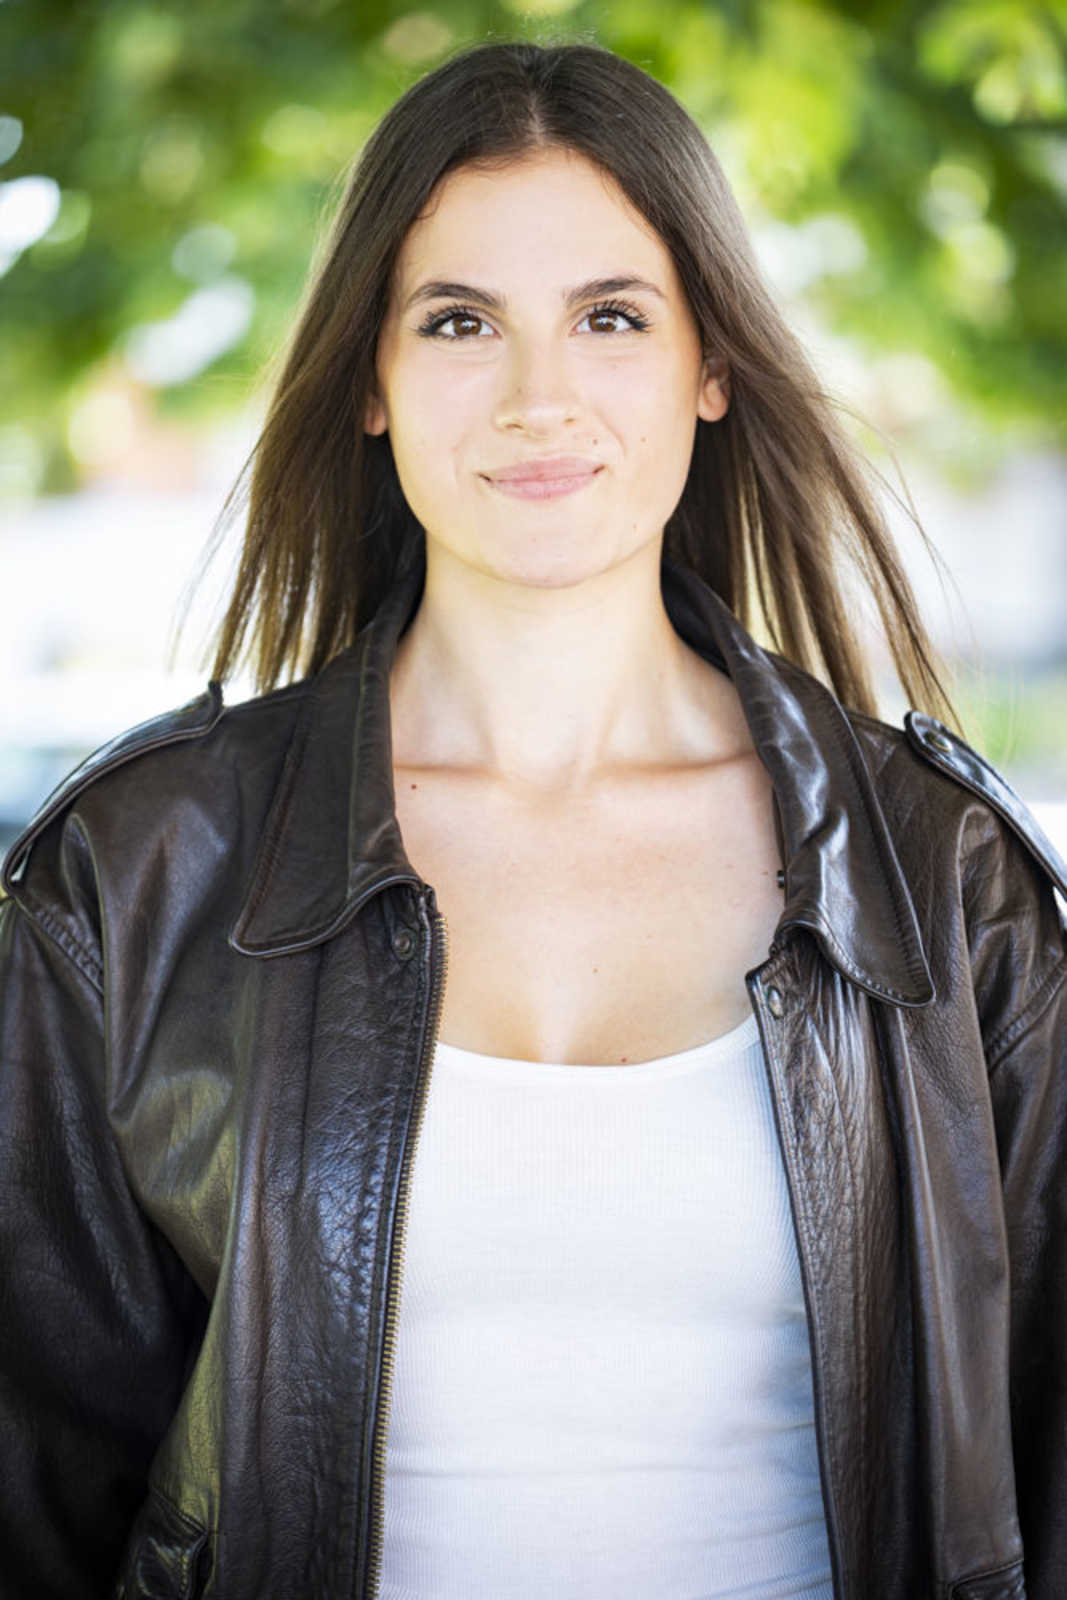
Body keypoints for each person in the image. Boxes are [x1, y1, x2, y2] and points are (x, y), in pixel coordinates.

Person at [0, 37, 1064, 1600]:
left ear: (711, 367)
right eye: (459, 321)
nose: (538, 397)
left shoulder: (943, 875)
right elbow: (40, 1492)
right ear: (371, 379)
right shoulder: (139, 872)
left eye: (611, 317)